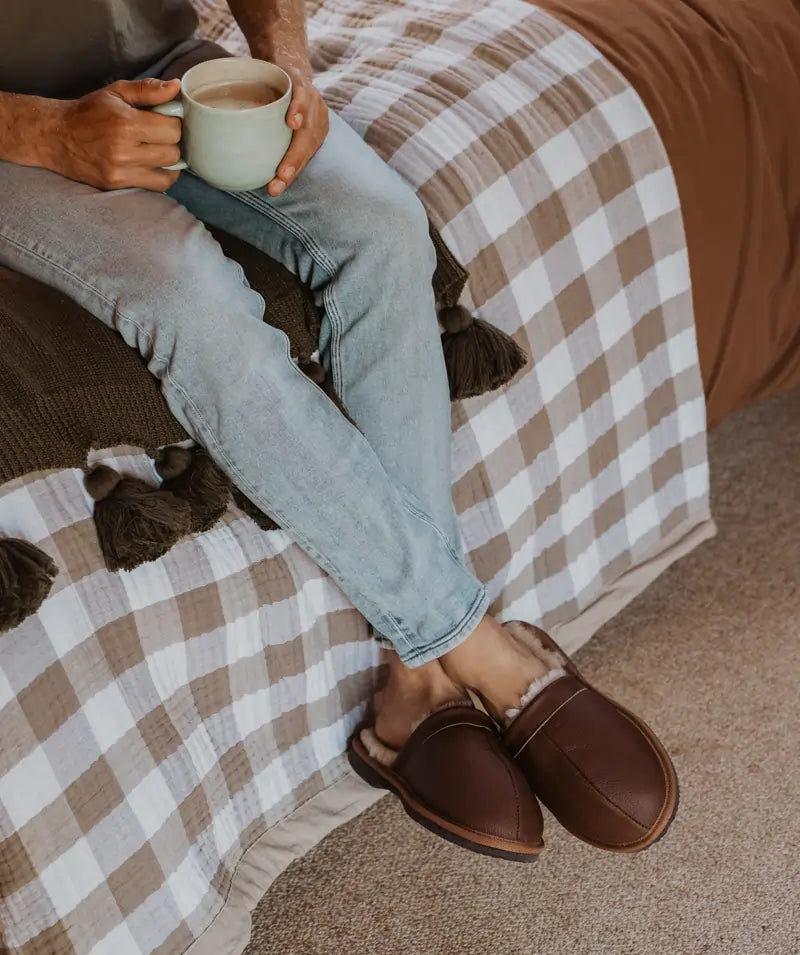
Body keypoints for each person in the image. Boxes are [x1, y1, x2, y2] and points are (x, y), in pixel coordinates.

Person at [0, 0, 677, 860]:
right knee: (192, 302)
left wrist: (287, 57)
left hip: (166, 65)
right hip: (15, 127)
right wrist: (44, 131)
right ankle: (480, 648)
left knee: (386, 227)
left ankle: (416, 681)